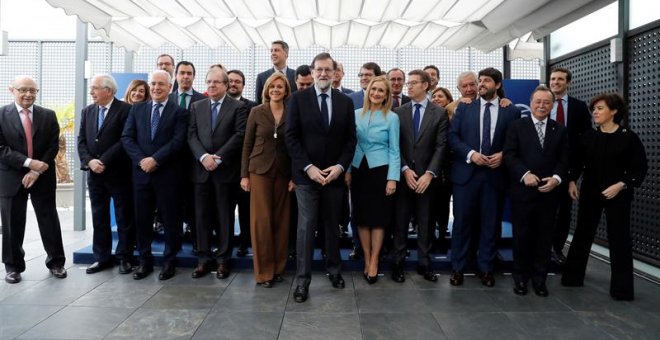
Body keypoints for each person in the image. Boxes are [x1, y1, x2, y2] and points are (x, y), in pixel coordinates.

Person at [562, 93, 647, 301]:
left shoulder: (629, 137)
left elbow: (639, 168)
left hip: (618, 195)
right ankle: (572, 279)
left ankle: (622, 290)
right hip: (590, 192)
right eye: (594, 109)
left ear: (614, 111)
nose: (595, 112)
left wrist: (621, 185)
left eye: (600, 108)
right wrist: (572, 181)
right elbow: (576, 162)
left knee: (619, 239)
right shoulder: (589, 137)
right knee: (582, 233)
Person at [286, 52, 356, 303]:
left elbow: (350, 140)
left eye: (328, 70)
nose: (324, 74)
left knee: (332, 226)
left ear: (335, 72)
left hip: (334, 176)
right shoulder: (297, 99)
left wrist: (339, 167)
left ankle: (334, 270)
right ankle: (303, 280)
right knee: (306, 228)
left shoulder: (345, 102)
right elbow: (291, 137)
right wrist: (309, 168)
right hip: (307, 177)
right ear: (313, 72)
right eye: (319, 70)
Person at [448, 67, 520, 287]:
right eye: (480, 80)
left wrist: (503, 155)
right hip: (466, 175)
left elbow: (514, 142)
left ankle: (486, 269)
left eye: (486, 81)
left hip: (495, 175)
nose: (480, 84)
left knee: (491, 224)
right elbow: (452, 137)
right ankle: (458, 268)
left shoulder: (511, 111)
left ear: (497, 85)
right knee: (462, 223)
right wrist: (471, 154)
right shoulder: (464, 108)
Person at [121, 70, 187, 281]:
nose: (157, 88)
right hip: (141, 175)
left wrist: (155, 159)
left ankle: (169, 261)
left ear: (170, 87)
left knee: (170, 220)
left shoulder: (179, 112)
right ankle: (144, 261)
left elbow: (178, 142)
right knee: (142, 220)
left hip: (167, 175)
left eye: (161, 84)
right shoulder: (137, 110)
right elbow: (127, 138)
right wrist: (142, 160)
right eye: (153, 84)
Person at [503, 85, 569, 297]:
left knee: (544, 238)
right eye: (538, 102)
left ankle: (540, 279)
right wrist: (525, 174)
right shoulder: (516, 126)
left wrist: (557, 179)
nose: (542, 106)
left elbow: (564, 159)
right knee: (522, 237)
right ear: (530, 103)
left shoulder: (559, 129)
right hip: (523, 192)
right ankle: (520, 279)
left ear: (552, 105)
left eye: (546, 102)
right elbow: (510, 155)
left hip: (549, 193)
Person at [1, 75, 67, 284]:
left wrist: (37, 170)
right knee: (12, 222)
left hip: (43, 175)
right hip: (11, 176)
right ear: (12, 90)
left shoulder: (48, 115)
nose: (28, 94)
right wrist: (30, 164)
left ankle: (56, 263)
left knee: (48, 219)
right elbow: (1, 149)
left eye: (32, 90)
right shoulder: (1, 115)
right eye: (23, 90)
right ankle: (13, 267)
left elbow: (52, 146)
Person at [188, 68, 247, 280]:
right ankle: (203, 259)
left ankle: (223, 260)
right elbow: (191, 136)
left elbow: (239, 135)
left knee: (224, 217)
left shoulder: (238, 107)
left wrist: (218, 158)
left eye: (216, 82)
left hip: (225, 172)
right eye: (209, 82)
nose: (211, 85)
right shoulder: (197, 106)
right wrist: (204, 157)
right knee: (201, 216)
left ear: (225, 85)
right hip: (201, 171)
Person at [391, 70, 448, 283]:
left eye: (414, 83)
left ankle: (425, 263)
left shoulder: (439, 113)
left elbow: (441, 146)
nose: (409, 87)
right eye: (409, 83)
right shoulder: (398, 112)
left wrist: (429, 174)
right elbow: (395, 145)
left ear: (426, 85)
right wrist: (405, 169)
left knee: (425, 222)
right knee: (401, 221)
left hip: (427, 178)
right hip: (405, 176)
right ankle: (398, 264)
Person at [240, 72, 294, 288]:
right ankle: (264, 272)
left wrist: (295, 176)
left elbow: (296, 144)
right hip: (259, 170)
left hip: (284, 171)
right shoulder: (256, 111)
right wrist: (244, 175)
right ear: (267, 90)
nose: (276, 90)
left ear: (286, 90)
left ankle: (278, 268)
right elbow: (246, 144)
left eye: (280, 87)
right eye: (272, 87)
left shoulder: (292, 112)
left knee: (281, 221)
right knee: (261, 221)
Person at [78, 74, 135, 275]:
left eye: (95, 88)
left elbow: (124, 140)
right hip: (94, 174)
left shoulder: (126, 110)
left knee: (123, 217)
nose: (91, 92)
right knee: (99, 217)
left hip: (118, 173)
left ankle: (125, 257)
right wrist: (90, 161)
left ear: (109, 91)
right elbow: (82, 141)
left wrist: (104, 160)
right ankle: (101, 257)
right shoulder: (88, 111)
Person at [345, 75, 400, 284]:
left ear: (387, 95)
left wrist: (392, 178)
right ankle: (366, 258)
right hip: (359, 170)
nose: (376, 93)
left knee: (378, 219)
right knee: (361, 217)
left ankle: (375, 260)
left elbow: (395, 150)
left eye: (381, 91)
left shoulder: (391, 118)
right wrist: (348, 170)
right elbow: (350, 145)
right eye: (374, 89)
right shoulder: (356, 114)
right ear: (368, 91)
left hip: (381, 170)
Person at [548, 67, 593, 265]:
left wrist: (574, 176)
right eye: (552, 79)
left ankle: (557, 249)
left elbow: (585, 143)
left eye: (560, 79)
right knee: (541, 211)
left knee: (564, 212)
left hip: (567, 169)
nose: (555, 82)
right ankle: (540, 249)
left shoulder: (579, 107)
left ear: (568, 83)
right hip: (543, 166)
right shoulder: (542, 103)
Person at [228, 69, 258, 257]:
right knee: (225, 208)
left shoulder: (253, 107)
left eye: (237, 81)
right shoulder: (217, 104)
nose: (233, 84)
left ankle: (245, 241)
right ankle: (228, 241)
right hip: (223, 166)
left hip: (245, 165)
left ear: (243, 85)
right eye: (230, 81)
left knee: (246, 207)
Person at [429, 85, 455, 253]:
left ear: (449, 100)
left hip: (448, 167)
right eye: (434, 96)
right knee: (431, 205)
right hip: (431, 166)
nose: (437, 99)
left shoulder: (454, 116)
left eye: (441, 96)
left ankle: (442, 236)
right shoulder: (430, 116)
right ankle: (430, 238)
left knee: (444, 204)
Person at [445, 71, 512, 116]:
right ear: (458, 89)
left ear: (478, 84)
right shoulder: (450, 108)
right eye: (464, 86)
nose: (469, 89)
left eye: (472, 84)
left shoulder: (494, 102)